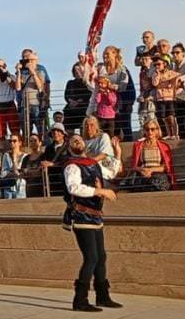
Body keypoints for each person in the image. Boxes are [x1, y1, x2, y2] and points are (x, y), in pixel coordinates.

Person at [61, 132, 122, 312]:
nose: (77, 142)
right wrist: (100, 192)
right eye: (73, 141)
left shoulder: (93, 163)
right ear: (70, 147)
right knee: (92, 257)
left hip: (95, 215)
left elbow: (111, 172)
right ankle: (80, 300)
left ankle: (103, 296)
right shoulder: (71, 166)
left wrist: (117, 152)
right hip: (81, 216)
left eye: (79, 139)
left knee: (101, 257)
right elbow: (74, 187)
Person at [122, 119, 174, 192]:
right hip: (142, 172)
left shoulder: (164, 146)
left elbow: (165, 167)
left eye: (152, 129)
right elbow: (134, 166)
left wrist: (151, 170)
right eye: (147, 129)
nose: (150, 132)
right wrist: (142, 170)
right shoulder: (138, 145)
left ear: (157, 130)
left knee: (156, 181)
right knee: (137, 181)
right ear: (144, 131)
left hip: (157, 172)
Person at [15, 49, 51, 137]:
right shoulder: (23, 72)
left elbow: (40, 87)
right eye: (24, 58)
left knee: (41, 129)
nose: (27, 60)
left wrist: (33, 72)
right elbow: (18, 88)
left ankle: (43, 144)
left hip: (37, 104)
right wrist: (18, 72)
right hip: (24, 104)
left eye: (30, 59)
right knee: (26, 130)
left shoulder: (40, 70)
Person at [0, 60, 18, 139]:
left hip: (10, 105)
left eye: (1, 66)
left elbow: (14, 86)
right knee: (0, 131)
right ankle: (2, 147)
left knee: (14, 129)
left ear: (5, 66)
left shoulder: (11, 76)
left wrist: (5, 75)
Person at [64, 67, 93, 136]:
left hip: (83, 106)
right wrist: (71, 101)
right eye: (75, 70)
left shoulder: (87, 83)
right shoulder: (70, 83)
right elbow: (66, 95)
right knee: (67, 112)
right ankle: (69, 139)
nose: (77, 72)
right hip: (71, 106)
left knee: (84, 118)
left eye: (79, 70)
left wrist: (78, 102)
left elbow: (88, 94)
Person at [0, 134, 29, 199]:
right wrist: (14, 172)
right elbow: (3, 173)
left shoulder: (25, 156)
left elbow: (25, 172)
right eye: (10, 141)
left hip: (21, 187)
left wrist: (14, 169)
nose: (12, 143)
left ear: (20, 143)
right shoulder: (6, 155)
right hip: (8, 187)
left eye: (14, 141)